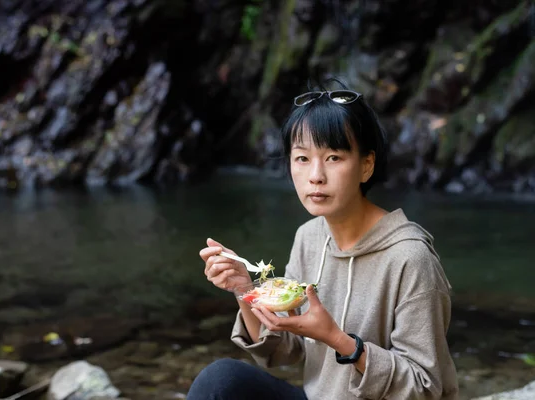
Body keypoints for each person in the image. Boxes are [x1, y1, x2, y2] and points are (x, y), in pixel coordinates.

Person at [189, 79, 459, 400]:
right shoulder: (310, 236)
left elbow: (427, 388)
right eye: (302, 158)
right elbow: (285, 350)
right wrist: (245, 290)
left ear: (366, 165)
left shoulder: (411, 259)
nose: (316, 175)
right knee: (220, 381)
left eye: (333, 157)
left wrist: (338, 339)